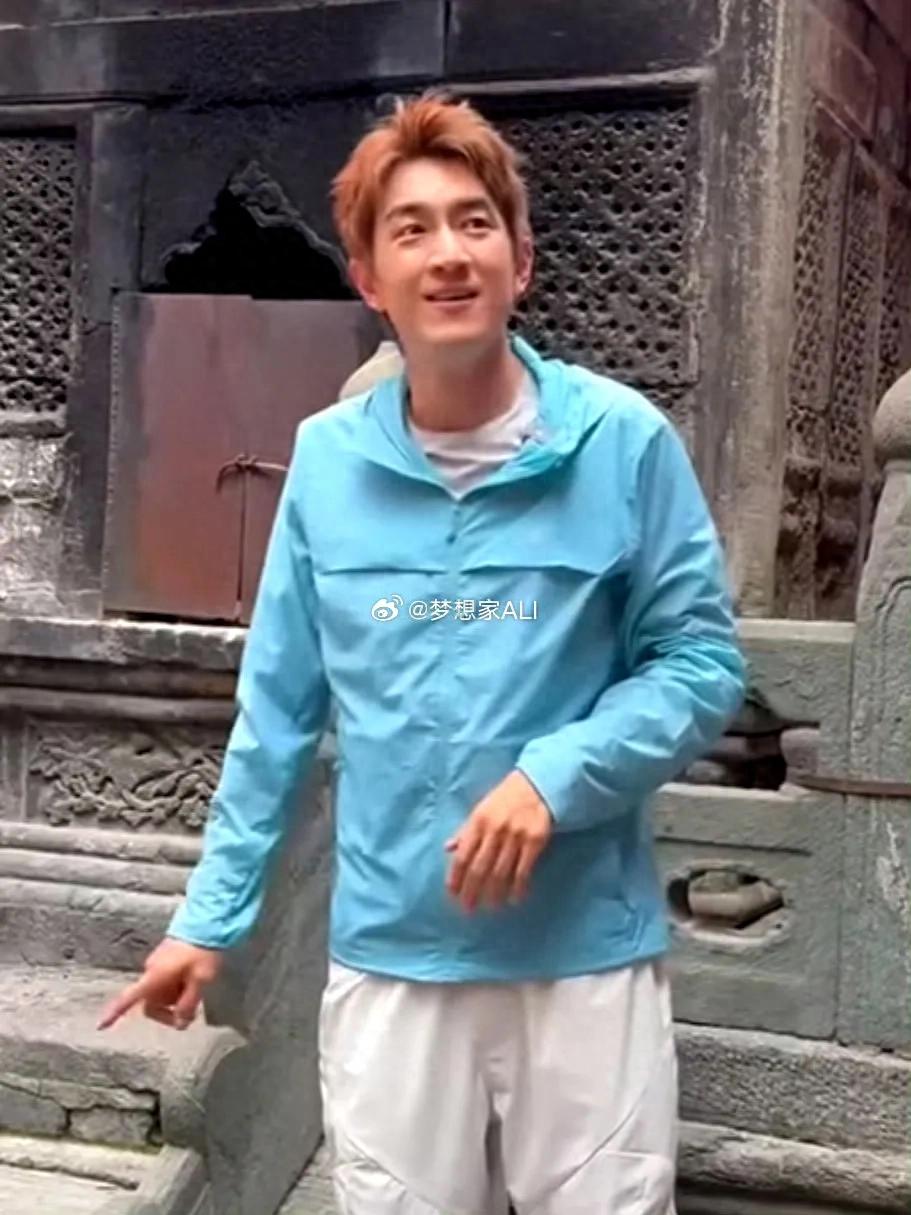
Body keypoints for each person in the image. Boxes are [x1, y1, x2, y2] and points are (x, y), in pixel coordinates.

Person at [99, 93, 746, 1214]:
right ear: (368, 279)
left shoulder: (622, 443)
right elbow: (279, 713)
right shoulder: (326, 462)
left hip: (582, 962)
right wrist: (206, 919)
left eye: (473, 223)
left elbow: (698, 664)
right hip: (393, 959)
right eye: (412, 230)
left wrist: (554, 777)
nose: (447, 253)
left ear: (519, 260)